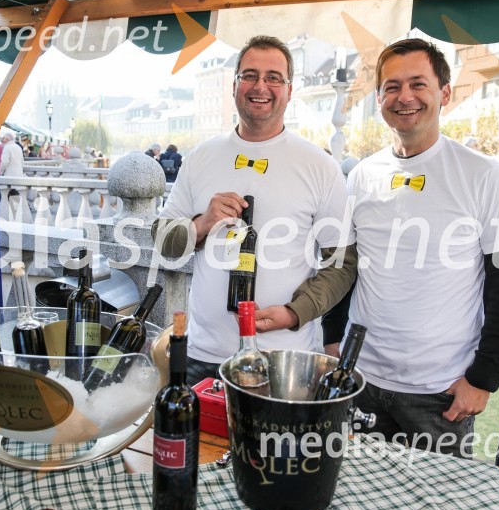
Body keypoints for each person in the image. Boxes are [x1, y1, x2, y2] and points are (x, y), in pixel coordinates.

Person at [332, 38, 499, 458]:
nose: (404, 97)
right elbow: (343, 266)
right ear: (379, 97)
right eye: (391, 86)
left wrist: (483, 379)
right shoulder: (362, 175)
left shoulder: (484, 175)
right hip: (361, 382)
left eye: (417, 84)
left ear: (444, 93)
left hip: (440, 395)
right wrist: (333, 342)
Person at [151, 35, 356, 386]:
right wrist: (202, 224)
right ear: (234, 85)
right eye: (250, 75)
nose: (261, 86)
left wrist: (296, 312)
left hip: (284, 358)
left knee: (278, 444)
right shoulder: (201, 157)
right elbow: (163, 241)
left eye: (274, 77)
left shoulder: (319, 165)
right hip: (203, 354)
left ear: (289, 90)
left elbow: (342, 263)